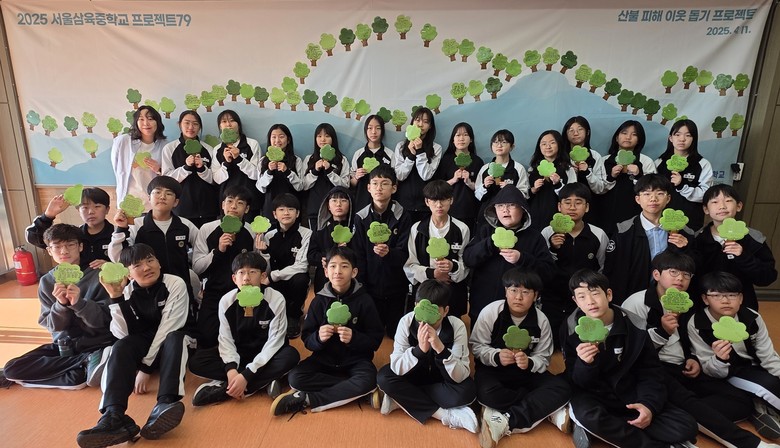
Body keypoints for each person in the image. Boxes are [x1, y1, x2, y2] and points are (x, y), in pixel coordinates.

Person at [623, 252, 766, 448]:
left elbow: (689, 338)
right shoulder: (638, 302)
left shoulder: (688, 302)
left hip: (683, 367)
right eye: (673, 272)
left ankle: (676, 414)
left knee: (740, 402)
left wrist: (692, 358)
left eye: (686, 274)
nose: (680, 279)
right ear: (656, 275)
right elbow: (631, 350)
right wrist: (662, 331)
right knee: (689, 401)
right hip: (654, 369)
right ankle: (749, 443)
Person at [562, 269, 699, 448]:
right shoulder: (571, 329)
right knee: (589, 416)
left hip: (629, 394)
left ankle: (608, 430)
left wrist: (648, 405)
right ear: (575, 301)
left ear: (609, 294)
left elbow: (650, 371)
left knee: (686, 426)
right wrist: (585, 364)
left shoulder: (635, 325)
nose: (590, 301)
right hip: (596, 396)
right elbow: (577, 381)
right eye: (582, 296)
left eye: (595, 293)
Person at [76, 244, 192, 448]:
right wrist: (116, 298)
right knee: (121, 345)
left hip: (172, 345)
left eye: (150, 260)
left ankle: (165, 403)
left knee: (176, 338)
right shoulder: (127, 290)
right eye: (137, 265)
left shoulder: (175, 283)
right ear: (128, 273)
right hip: (145, 343)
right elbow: (122, 333)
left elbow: (167, 328)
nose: (147, 267)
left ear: (158, 262)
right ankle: (113, 416)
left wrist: (146, 368)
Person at [271, 246, 383, 416]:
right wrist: (318, 338)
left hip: (356, 360)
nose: (338, 271)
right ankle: (353, 389)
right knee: (295, 377)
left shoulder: (365, 301)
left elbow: (375, 339)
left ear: (354, 272)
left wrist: (354, 338)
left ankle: (308, 399)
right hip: (324, 359)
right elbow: (307, 339)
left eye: (344, 266)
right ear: (325, 271)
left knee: (368, 378)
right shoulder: (318, 301)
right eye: (333, 266)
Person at [4, 224, 113, 389]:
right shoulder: (47, 281)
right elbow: (53, 326)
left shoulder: (98, 275)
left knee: (23, 372)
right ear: (49, 250)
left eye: (70, 245)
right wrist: (61, 305)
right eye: (57, 246)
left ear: (80, 246)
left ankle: (80, 368)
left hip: (96, 343)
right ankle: (83, 365)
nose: (64, 251)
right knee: (11, 369)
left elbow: (103, 322)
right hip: (64, 346)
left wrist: (80, 303)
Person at [472, 269, 571, 448]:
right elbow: (477, 346)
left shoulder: (541, 320)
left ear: (535, 296)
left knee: (562, 388)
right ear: (505, 291)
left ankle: (503, 419)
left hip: (526, 373)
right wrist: (495, 355)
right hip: (493, 371)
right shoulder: (491, 312)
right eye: (513, 290)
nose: (518, 297)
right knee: (486, 393)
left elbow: (544, 357)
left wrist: (530, 362)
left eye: (525, 292)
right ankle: (544, 408)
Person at [189, 252, 300, 406]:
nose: (246, 278)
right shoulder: (226, 301)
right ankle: (264, 381)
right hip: (239, 353)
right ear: (234, 278)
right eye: (241, 273)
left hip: (268, 354)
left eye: (252, 272)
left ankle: (228, 389)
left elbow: (275, 341)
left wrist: (246, 375)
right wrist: (231, 370)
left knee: (291, 356)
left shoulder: (276, 299)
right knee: (196, 362)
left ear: (262, 276)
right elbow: (225, 340)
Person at [687, 271, 780, 442]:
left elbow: (768, 355)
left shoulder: (751, 317)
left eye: (732, 295)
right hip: (728, 373)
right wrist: (720, 359)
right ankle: (759, 404)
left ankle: (760, 407)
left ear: (741, 298)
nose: (725, 300)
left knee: (774, 378)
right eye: (717, 295)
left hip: (754, 366)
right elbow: (709, 369)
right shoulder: (697, 323)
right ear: (705, 299)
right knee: (767, 385)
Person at [377, 279, 478, 433]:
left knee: (467, 392)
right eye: (421, 310)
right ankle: (444, 415)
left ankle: (402, 399)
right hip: (413, 377)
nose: (426, 319)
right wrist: (419, 350)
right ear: (415, 306)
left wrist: (441, 349)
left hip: (441, 381)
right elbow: (397, 367)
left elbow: (461, 374)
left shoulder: (456, 326)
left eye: (434, 313)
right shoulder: (406, 322)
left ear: (445, 311)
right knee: (384, 377)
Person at [109, 175, 200, 328]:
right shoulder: (136, 225)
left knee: (181, 330)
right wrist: (121, 228)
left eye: (169, 193)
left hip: (180, 289)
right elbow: (119, 258)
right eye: (157, 192)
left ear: (176, 202)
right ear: (149, 198)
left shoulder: (185, 225)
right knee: (150, 329)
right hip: (146, 292)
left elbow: (200, 251)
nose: (162, 196)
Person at [463, 185, 555, 323]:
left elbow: (548, 272)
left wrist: (522, 258)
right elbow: (468, 258)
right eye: (500, 206)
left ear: (523, 209)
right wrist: (491, 243)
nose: (505, 210)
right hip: (483, 306)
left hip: (520, 311)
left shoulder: (534, 237)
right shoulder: (485, 231)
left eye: (511, 205)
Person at [604, 174, 694, 304]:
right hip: (632, 297)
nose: (653, 199)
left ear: (668, 198)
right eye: (647, 194)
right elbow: (614, 270)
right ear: (638, 199)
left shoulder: (684, 231)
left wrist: (685, 249)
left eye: (660, 193)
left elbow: (692, 267)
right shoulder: (623, 231)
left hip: (671, 298)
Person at [540, 183, 608, 347]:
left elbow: (603, 267)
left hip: (584, 298)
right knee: (552, 343)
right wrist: (553, 248)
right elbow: (541, 266)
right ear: (559, 206)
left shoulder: (598, 234)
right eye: (567, 202)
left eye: (578, 202)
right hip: (552, 297)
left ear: (587, 207)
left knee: (581, 342)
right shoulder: (547, 232)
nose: (572, 207)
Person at [692, 184, 777, 311]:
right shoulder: (697, 239)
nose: (722, 206)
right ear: (706, 209)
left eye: (728, 200)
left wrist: (743, 256)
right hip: (704, 306)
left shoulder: (753, 238)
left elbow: (767, 277)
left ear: (739, 206)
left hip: (742, 305)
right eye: (715, 202)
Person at [192, 186, 256, 348]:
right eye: (229, 201)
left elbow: (260, 269)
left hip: (243, 292)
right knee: (207, 338)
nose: (233, 206)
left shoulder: (252, 232)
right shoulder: (207, 229)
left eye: (240, 203)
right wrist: (218, 250)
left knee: (244, 338)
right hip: (214, 292)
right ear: (222, 205)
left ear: (247, 209)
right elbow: (197, 267)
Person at [352, 165, 412, 337]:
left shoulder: (403, 216)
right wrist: (361, 286)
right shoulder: (361, 217)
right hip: (370, 287)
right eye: (375, 183)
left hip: (396, 286)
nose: (379, 188)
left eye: (385, 183)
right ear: (368, 188)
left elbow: (406, 253)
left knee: (395, 334)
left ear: (394, 188)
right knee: (373, 333)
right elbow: (358, 255)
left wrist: (389, 253)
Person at [404, 180, 470, 319]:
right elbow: (410, 265)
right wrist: (433, 273)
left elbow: (465, 263)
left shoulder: (462, 228)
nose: (439, 205)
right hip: (424, 291)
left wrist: (452, 267)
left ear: (451, 200)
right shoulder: (417, 229)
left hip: (451, 291)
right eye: (434, 200)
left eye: (443, 200)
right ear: (427, 202)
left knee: (451, 325)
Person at [255, 193, 311, 339]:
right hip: (273, 281)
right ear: (274, 214)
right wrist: (264, 253)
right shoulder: (269, 235)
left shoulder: (306, 234)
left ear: (297, 213)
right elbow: (265, 269)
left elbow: (302, 266)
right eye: (281, 209)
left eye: (291, 209)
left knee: (301, 280)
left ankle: (294, 316)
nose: (286, 213)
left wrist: (272, 277)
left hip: (292, 279)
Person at [591, 120, 656, 233]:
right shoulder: (604, 160)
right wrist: (611, 176)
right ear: (617, 138)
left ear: (639, 140)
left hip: (634, 216)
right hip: (605, 215)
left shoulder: (646, 161)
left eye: (634, 134)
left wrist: (638, 176)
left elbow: (652, 191)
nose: (628, 137)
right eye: (624, 133)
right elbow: (597, 189)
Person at [26, 187, 113, 269]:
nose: (91, 212)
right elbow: (33, 238)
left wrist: (112, 266)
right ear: (78, 210)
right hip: (78, 279)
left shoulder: (117, 235)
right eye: (85, 207)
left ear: (107, 209)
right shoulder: (74, 234)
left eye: (97, 206)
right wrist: (48, 216)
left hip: (108, 279)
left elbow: (121, 261)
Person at [161, 110, 219, 227]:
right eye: (187, 123)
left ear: (200, 127)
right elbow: (167, 180)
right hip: (182, 208)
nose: (191, 127)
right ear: (179, 125)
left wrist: (202, 169)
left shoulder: (209, 149)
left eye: (195, 124)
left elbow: (214, 179)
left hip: (207, 208)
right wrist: (185, 168)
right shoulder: (170, 148)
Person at [654, 119, 713, 231]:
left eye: (688, 135)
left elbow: (706, 195)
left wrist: (682, 185)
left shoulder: (702, 164)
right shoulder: (659, 162)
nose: (682, 139)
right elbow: (651, 191)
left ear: (693, 139)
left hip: (691, 222)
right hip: (661, 222)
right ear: (670, 138)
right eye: (677, 134)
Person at [110, 105, 167, 211]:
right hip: (130, 202)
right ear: (136, 122)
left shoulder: (165, 146)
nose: (146, 123)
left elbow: (170, 176)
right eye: (141, 119)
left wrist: (159, 169)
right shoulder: (123, 142)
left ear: (157, 122)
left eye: (150, 119)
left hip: (154, 204)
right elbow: (117, 169)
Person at [393, 107, 442, 224]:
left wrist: (419, 152)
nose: (420, 125)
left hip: (426, 204)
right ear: (412, 122)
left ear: (430, 126)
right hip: (403, 203)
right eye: (418, 120)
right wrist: (411, 156)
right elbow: (399, 176)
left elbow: (426, 175)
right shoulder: (400, 146)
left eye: (425, 122)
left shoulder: (436, 148)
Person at [212, 110, 263, 221]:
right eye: (224, 121)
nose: (228, 124)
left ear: (238, 125)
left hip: (249, 201)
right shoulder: (217, 149)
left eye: (232, 121)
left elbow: (256, 174)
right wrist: (226, 163)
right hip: (227, 202)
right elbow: (216, 178)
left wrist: (239, 159)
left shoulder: (252, 144)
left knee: (248, 230)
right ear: (220, 127)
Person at [474, 129, 530, 229]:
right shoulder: (485, 168)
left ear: (512, 146)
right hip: (487, 216)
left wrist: (511, 190)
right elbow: (477, 195)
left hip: (510, 218)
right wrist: (484, 186)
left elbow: (524, 195)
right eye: (495, 142)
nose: (499, 146)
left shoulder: (518, 168)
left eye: (504, 142)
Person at [434, 122, 484, 231]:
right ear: (453, 140)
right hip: (448, 210)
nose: (461, 138)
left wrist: (469, 182)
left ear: (471, 139)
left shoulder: (477, 161)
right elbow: (437, 187)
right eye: (458, 135)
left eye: (465, 135)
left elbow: (482, 189)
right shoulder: (445, 160)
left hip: (470, 211)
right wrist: (453, 180)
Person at [527, 130, 577, 231]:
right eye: (544, 144)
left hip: (559, 217)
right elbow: (525, 195)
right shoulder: (532, 169)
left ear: (559, 145)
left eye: (552, 143)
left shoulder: (567, 168)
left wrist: (558, 184)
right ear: (539, 147)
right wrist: (533, 189)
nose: (548, 146)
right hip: (536, 216)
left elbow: (572, 195)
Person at [302, 123, 350, 228]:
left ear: (333, 139)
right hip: (314, 210)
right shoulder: (309, 159)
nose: (323, 139)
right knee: (315, 237)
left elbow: (346, 185)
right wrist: (315, 171)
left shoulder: (341, 160)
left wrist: (329, 171)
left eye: (327, 136)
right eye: (319, 136)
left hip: (336, 212)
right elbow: (303, 186)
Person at [307, 186, 353, 293]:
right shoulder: (321, 228)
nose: (338, 204)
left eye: (343, 200)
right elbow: (311, 255)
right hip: (325, 275)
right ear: (328, 206)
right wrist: (324, 258)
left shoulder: (356, 227)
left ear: (350, 204)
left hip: (350, 274)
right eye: (334, 200)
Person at [257, 124, 304, 219]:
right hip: (270, 208)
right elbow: (260, 187)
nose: (277, 141)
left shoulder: (296, 160)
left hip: (291, 208)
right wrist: (269, 172)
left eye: (281, 137)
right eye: (273, 137)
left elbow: (300, 186)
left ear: (288, 140)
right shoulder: (263, 161)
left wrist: (287, 172)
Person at [350, 114, 394, 212]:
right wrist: (356, 177)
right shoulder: (358, 154)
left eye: (378, 128)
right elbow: (352, 183)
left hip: (384, 204)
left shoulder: (390, 154)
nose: (374, 132)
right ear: (366, 130)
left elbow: (395, 181)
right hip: (361, 202)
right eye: (370, 128)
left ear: (382, 131)